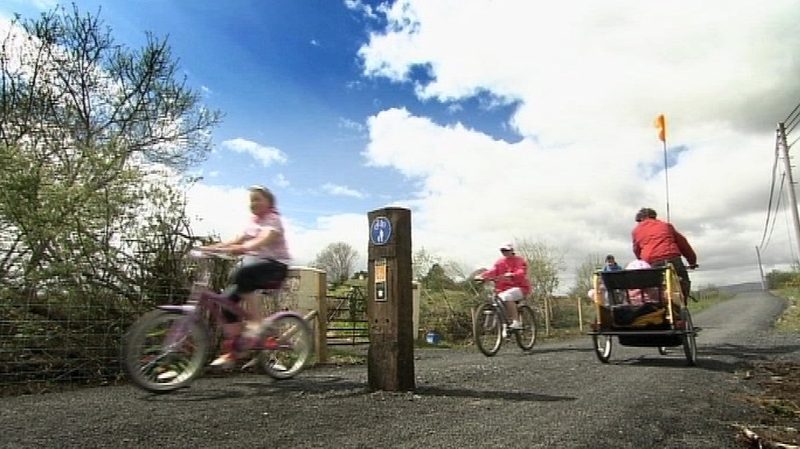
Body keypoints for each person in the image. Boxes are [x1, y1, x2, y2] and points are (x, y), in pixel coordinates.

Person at [202, 185, 292, 367]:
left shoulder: (273, 219)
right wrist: (212, 248)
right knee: (226, 302)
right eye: (252, 200)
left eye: (258, 199)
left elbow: (264, 239)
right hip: (257, 267)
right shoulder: (253, 222)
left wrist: (245, 248)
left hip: (276, 268)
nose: (254, 203)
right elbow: (238, 239)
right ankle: (234, 351)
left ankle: (257, 323)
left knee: (243, 272)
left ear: (269, 202)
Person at [631, 207, 698, 299]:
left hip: (652, 263)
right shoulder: (666, 225)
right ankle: (683, 302)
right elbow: (683, 244)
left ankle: (659, 306)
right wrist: (692, 262)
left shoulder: (636, 231)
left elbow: (636, 250)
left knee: (655, 289)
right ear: (653, 216)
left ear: (640, 219)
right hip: (672, 258)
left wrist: (642, 262)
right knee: (683, 281)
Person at [474, 243, 531, 334]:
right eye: (503, 250)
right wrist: (482, 276)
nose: (505, 252)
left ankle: (516, 321)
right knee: (499, 301)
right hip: (502, 290)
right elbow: (493, 271)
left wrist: (513, 275)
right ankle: (505, 325)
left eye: (507, 250)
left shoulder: (519, 260)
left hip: (520, 288)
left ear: (512, 251)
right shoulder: (500, 262)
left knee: (507, 297)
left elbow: (521, 271)